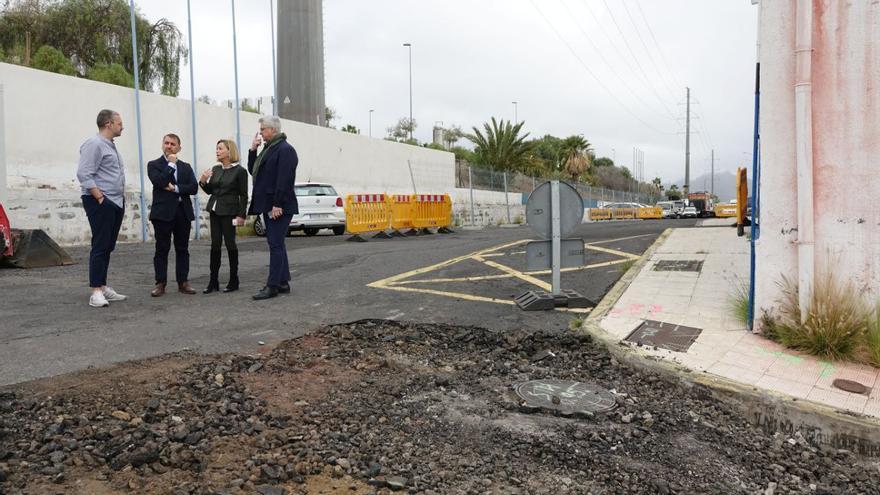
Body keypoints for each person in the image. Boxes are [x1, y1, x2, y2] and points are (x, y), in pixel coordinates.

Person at [76, 109, 128, 308]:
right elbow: (83, 173)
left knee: (107, 245)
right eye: (119, 123)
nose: (122, 126)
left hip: (115, 201)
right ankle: (95, 292)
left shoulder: (110, 146)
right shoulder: (94, 144)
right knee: (100, 245)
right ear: (108, 124)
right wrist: (99, 198)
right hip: (101, 201)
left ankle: (103, 286)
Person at [247, 115, 298, 300]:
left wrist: (278, 203)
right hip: (269, 204)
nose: (261, 132)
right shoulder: (268, 149)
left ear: (273, 130)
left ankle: (273, 286)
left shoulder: (285, 150)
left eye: (263, 130)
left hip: (279, 206)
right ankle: (283, 282)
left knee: (275, 244)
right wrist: (253, 150)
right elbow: (254, 170)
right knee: (277, 243)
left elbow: (284, 180)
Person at [147, 134, 198, 297]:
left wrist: (176, 188)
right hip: (162, 214)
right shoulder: (154, 165)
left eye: (173, 144)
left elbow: (193, 187)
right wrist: (170, 164)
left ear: (179, 148)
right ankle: (160, 283)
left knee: (182, 249)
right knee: (162, 249)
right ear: (162, 145)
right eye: (166, 143)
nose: (169, 146)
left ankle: (183, 282)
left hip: (182, 212)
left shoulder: (186, 166)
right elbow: (160, 182)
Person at [198, 139, 248, 293]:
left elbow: (243, 195)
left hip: (230, 212)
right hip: (215, 211)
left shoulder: (240, 171)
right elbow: (211, 190)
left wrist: (241, 215)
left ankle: (234, 280)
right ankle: (213, 281)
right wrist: (203, 181)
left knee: (230, 243)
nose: (217, 151)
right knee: (215, 245)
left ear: (229, 151)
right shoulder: (216, 169)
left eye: (220, 148)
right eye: (216, 148)